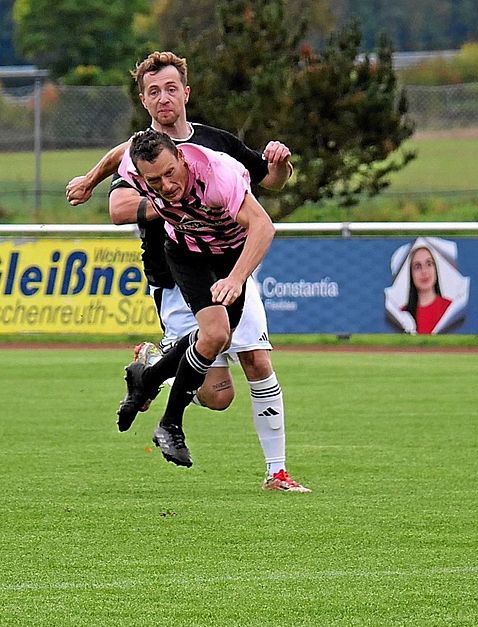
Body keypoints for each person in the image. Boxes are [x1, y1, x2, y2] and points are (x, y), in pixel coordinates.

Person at [66, 52, 308, 492]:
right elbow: (120, 197)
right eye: (153, 91)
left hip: (231, 263)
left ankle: (277, 472)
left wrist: (280, 165)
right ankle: (157, 362)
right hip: (175, 274)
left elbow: (268, 185)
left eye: (170, 89)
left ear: (186, 93)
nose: (163, 98)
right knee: (218, 396)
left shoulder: (217, 148)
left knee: (257, 359)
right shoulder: (145, 157)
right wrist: (159, 198)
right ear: (144, 100)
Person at [117, 129, 274, 471]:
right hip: (186, 251)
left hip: (230, 255)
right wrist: (88, 180)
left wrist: (235, 279)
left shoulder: (218, 177)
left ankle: (147, 378)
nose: (166, 186)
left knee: (217, 337)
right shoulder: (135, 168)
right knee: (216, 335)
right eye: (154, 180)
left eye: (170, 173)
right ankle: (170, 424)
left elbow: (264, 227)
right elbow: (119, 154)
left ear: (182, 158)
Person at [404, 246, 452, 334]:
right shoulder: (402, 315)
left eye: (429, 264)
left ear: (435, 269)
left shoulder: (451, 310)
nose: (424, 271)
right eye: (417, 267)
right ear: (411, 274)